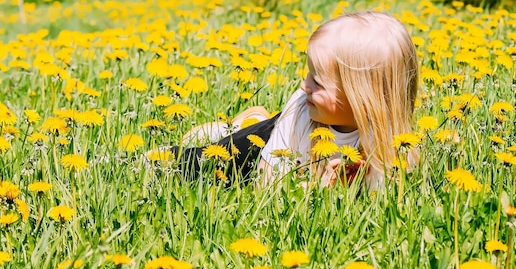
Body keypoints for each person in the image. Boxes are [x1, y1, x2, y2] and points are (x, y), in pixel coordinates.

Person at [169, 10, 420, 190]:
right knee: (208, 164)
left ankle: (255, 121)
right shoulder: (302, 105)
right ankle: (234, 129)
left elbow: (381, 200)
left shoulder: (391, 145)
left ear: (363, 102)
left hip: (294, 139)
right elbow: (264, 182)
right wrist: (315, 187)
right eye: (309, 73)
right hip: (275, 139)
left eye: (318, 82)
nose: (304, 84)